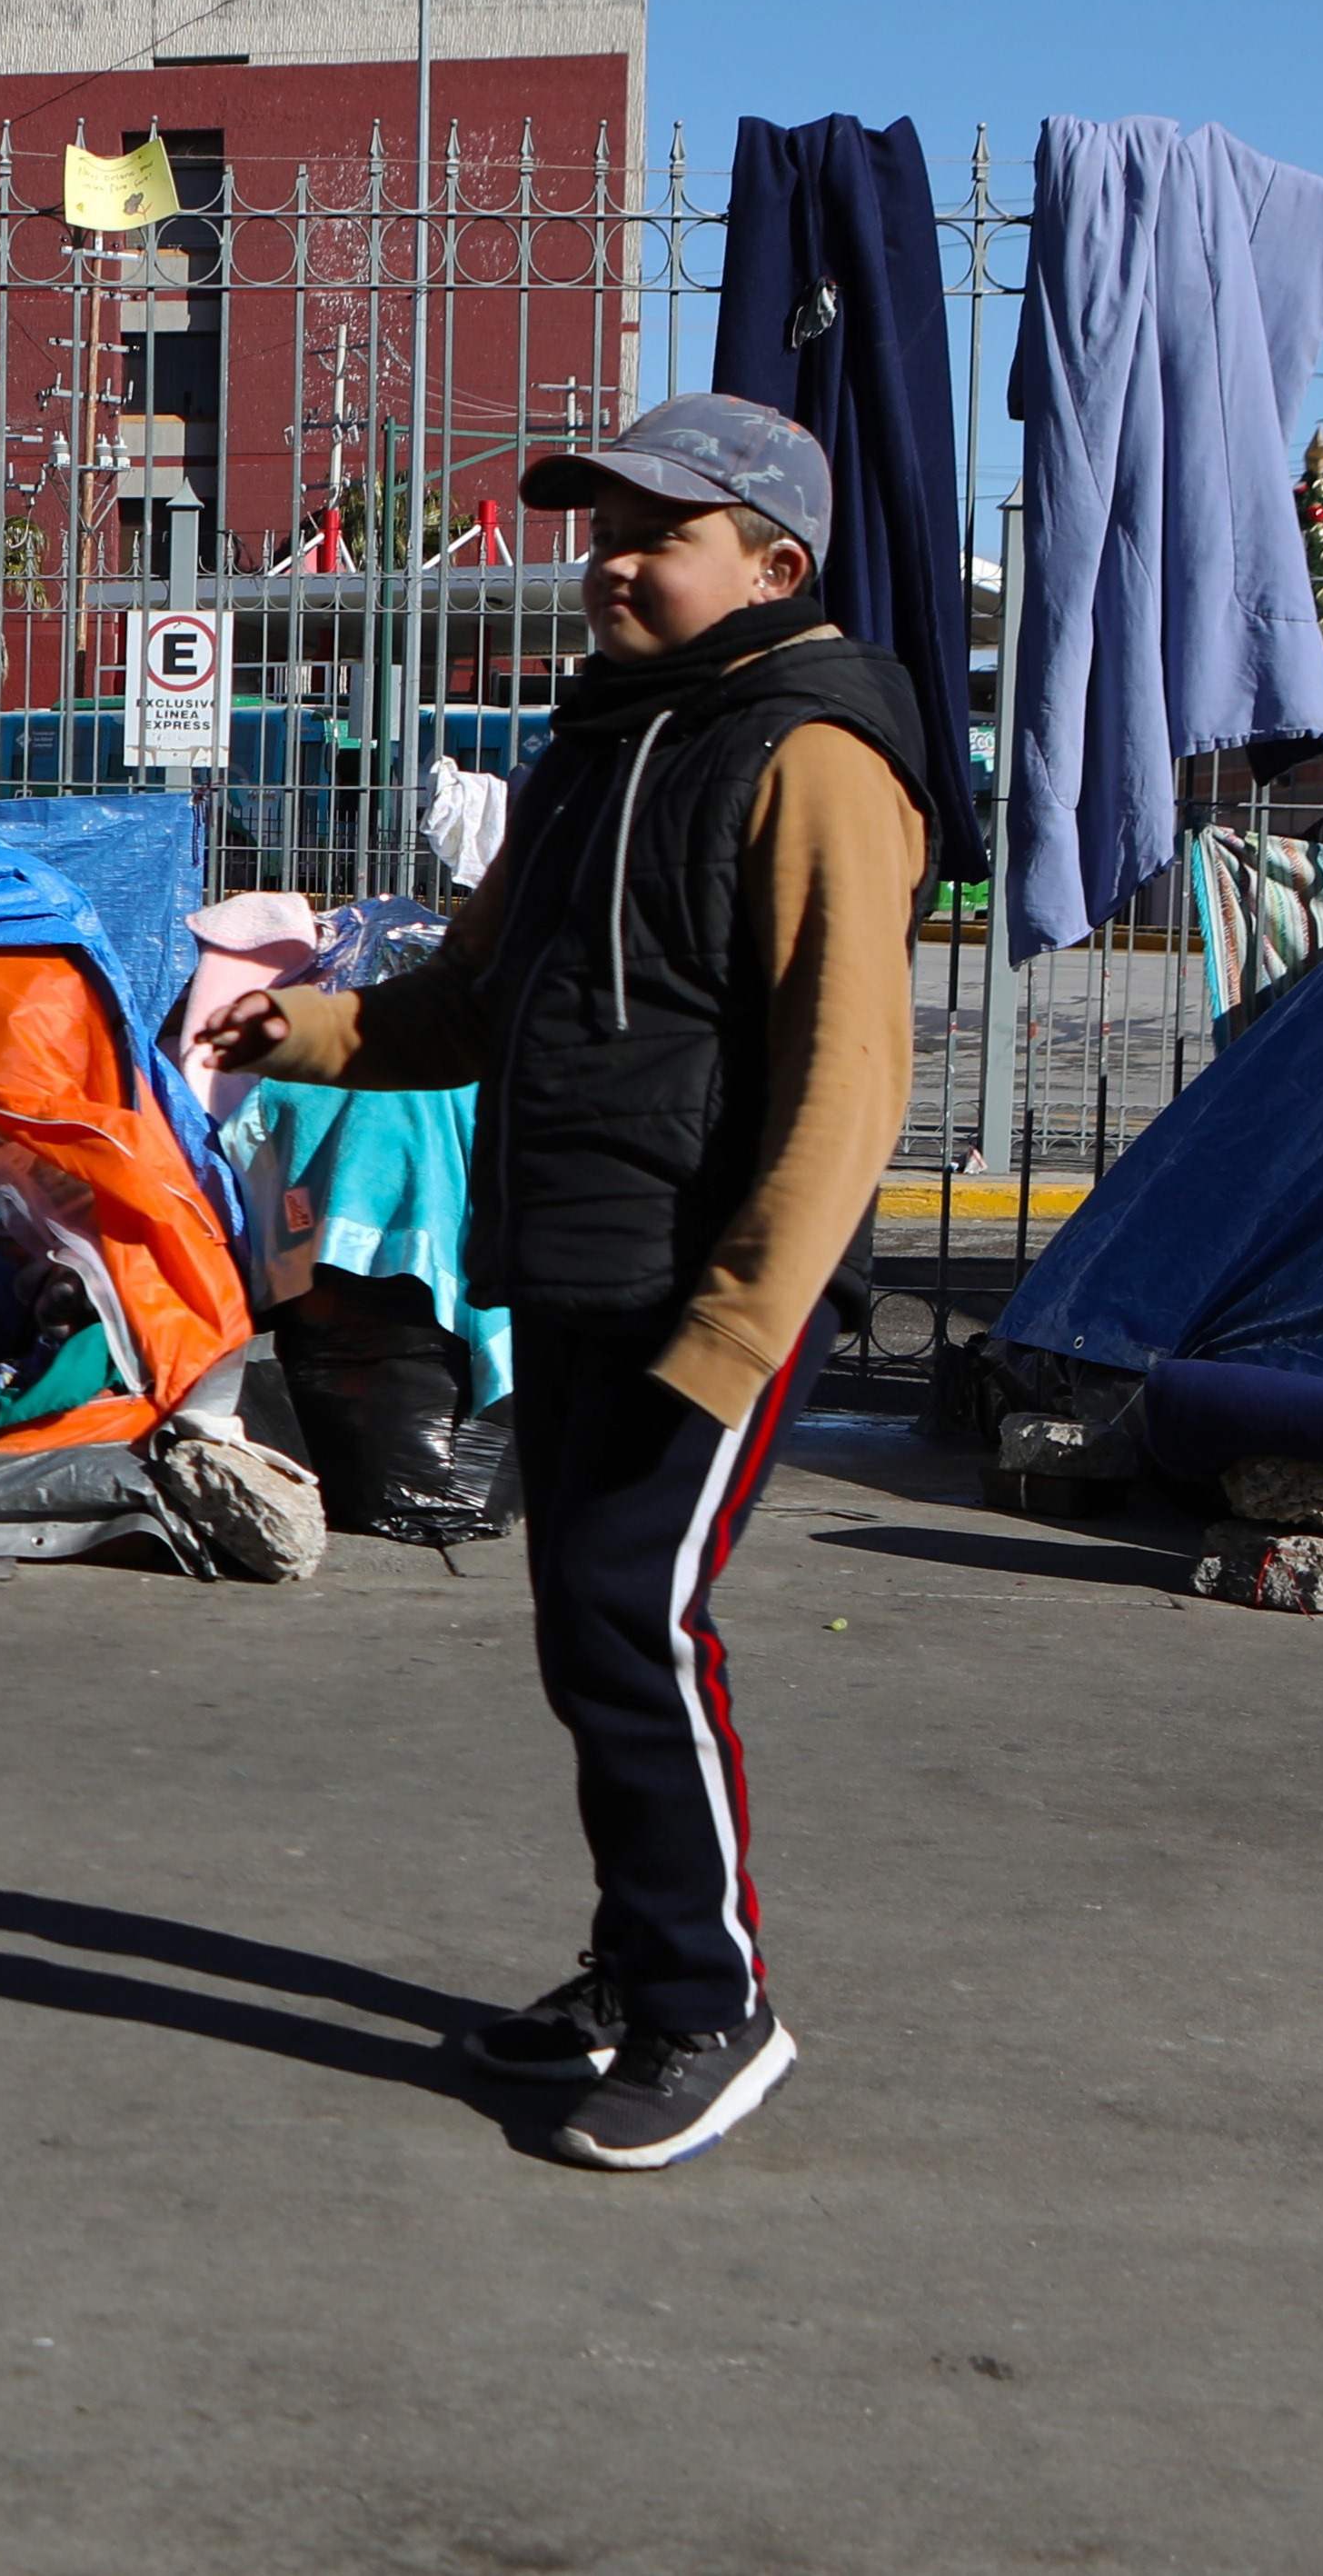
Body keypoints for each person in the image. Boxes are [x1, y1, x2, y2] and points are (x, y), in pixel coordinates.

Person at [194, 393, 928, 2172]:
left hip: (704, 1291)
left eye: (651, 533)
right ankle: (634, 1957)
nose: (605, 561)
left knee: (631, 1615)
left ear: (770, 563)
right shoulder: (600, 738)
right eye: (595, 526)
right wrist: (308, 1025)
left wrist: (743, 1327)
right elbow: (474, 993)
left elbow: (849, 1079)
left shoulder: (810, 753)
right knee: (588, 1628)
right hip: (580, 1271)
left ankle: (708, 2003)